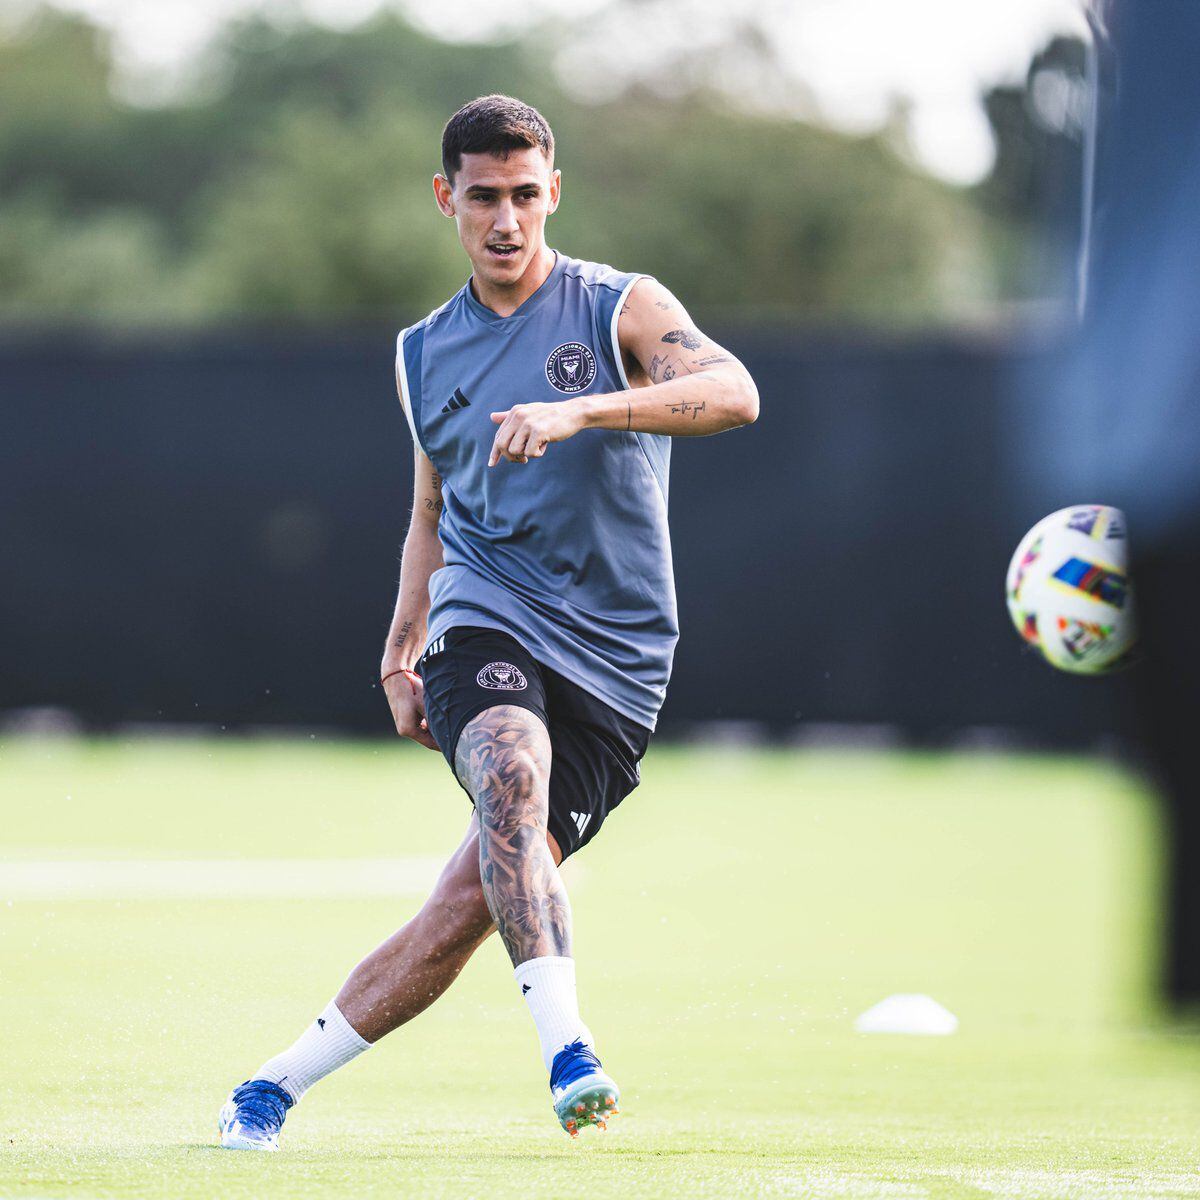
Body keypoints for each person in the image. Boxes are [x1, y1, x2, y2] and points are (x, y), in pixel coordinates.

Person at [218, 94, 758, 1151]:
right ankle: (569, 1051)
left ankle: (270, 1087)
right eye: (482, 199)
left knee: (463, 909)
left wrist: (581, 408)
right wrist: (402, 633)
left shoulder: (618, 308)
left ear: (553, 191)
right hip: (486, 612)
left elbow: (735, 393)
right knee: (509, 768)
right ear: (446, 200)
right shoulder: (423, 353)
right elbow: (432, 508)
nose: (506, 221)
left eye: (524, 196)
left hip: (618, 662)